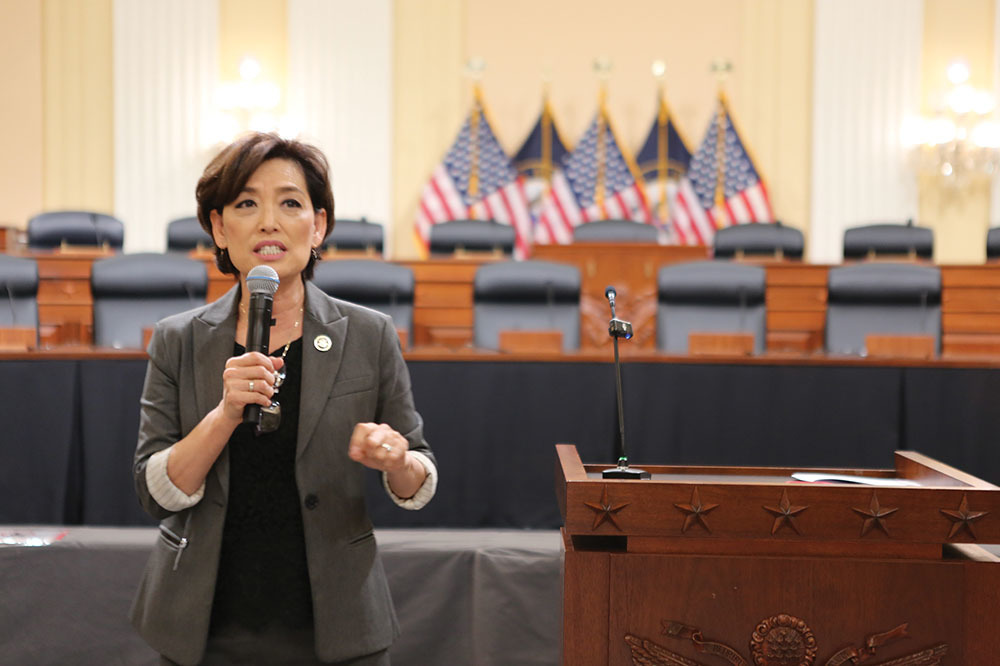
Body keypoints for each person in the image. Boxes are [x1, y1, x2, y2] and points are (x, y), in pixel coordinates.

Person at [131, 132, 437, 665]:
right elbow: (155, 493)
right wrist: (225, 414)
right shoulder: (178, 339)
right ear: (220, 229)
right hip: (203, 626)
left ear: (317, 226)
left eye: (290, 203)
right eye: (247, 203)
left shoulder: (368, 334)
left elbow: (420, 476)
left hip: (336, 624)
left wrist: (397, 460)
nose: (269, 221)